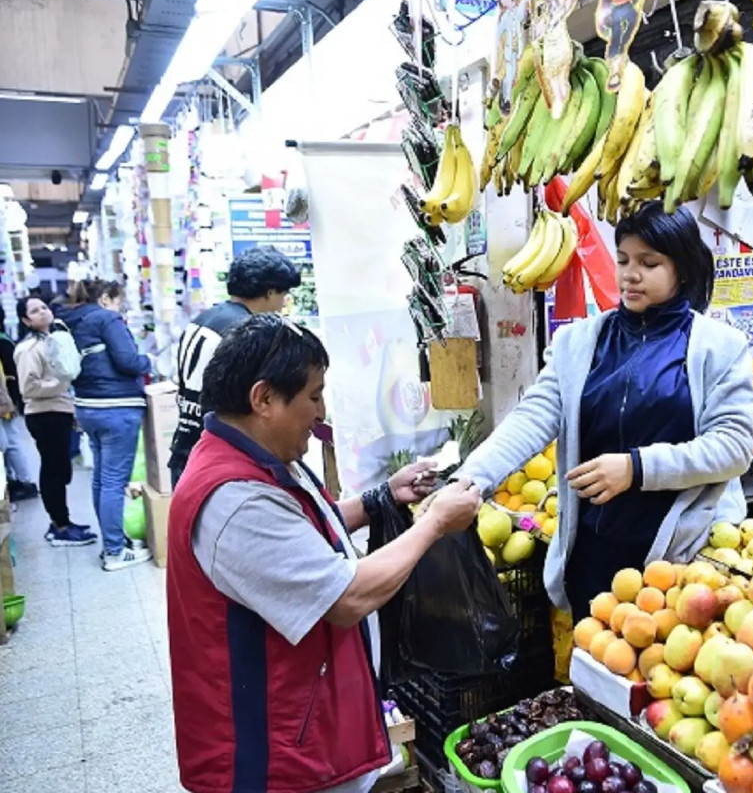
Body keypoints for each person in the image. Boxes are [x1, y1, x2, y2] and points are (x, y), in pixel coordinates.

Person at [166, 314, 481, 793]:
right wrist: (434, 523)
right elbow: (346, 597)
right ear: (263, 398)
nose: (321, 412)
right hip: (272, 759)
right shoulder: (235, 500)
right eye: (313, 396)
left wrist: (380, 499)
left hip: (299, 728)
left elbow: (305, 536)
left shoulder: (255, 460)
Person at [448, 201, 753, 620]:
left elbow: (734, 447)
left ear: (682, 269)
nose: (630, 274)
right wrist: (470, 478)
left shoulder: (720, 347)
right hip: (591, 551)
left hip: (679, 561)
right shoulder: (578, 343)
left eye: (649, 263)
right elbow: (532, 417)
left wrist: (636, 468)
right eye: (623, 260)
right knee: (591, 655)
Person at [168, 245, 302, 487]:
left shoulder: (204, 319)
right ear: (270, 292)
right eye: (283, 295)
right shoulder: (246, 332)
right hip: (218, 463)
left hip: (186, 447)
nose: (282, 305)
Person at [58, 279, 154, 570]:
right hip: (116, 406)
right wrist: (147, 360)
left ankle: (114, 541)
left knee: (102, 479)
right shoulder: (106, 319)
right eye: (117, 301)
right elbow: (128, 361)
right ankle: (115, 551)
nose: (119, 307)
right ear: (105, 299)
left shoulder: (71, 321)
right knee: (114, 481)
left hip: (88, 406)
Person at [15, 296, 94, 546]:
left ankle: (62, 522)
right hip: (44, 415)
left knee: (60, 469)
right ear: (26, 320)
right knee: (52, 470)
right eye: (34, 311)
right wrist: (62, 383)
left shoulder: (53, 339)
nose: (42, 312)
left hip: (58, 411)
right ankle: (60, 527)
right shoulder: (28, 349)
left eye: (44, 307)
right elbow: (28, 387)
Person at [0, 304, 40, 502]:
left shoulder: (3, 342)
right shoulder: (5, 340)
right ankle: (19, 480)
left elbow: (11, 375)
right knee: (10, 442)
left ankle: (24, 482)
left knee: (10, 442)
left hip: (5, 402)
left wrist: (12, 401)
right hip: (7, 400)